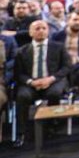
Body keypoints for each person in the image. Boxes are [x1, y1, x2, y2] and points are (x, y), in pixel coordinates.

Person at [13, 20, 70, 149]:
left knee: (54, 93)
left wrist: (50, 79)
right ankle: (22, 132)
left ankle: (52, 126)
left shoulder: (58, 47)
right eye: (37, 28)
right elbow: (18, 73)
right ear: (30, 32)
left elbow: (66, 67)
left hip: (52, 81)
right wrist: (31, 82)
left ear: (48, 31)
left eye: (44, 28)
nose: (41, 31)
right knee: (22, 96)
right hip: (30, 83)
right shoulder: (21, 51)